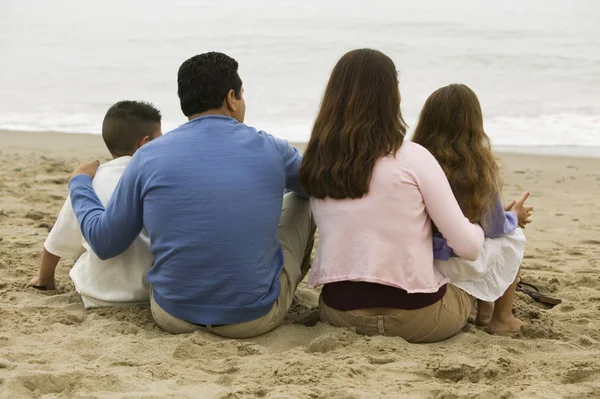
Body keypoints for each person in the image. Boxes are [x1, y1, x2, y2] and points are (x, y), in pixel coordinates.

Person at [67, 52, 315, 337]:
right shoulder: (271, 148)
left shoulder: (148, 156)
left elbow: (105, 241)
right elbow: (316, 186)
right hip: (252, 318)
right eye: (242, 94)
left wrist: (80, 184)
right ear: (231, 98)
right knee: (302, 200)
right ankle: (283, 290)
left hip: (172, 314)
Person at [300, 48, 485, 343]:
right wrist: (480, 228)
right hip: (419, 319)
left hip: (340, 315)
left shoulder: (317, 162)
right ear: (391, 97)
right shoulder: (413, 157)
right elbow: (469, 247)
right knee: (485, 261)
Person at [412, 83, 534, 333]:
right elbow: (494, 227)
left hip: (421, 258)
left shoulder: (415, 159)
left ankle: (485, 309)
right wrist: (513, 216)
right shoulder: (478, 166)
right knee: (513, 236)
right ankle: (501, 318)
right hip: (456, 261)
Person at [26, 101, 162, 308]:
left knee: (81, 235)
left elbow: (56, 242)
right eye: (159, 138)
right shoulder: (159, 178)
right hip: (151, 295)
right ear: (144, 143)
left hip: (98, 297)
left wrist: (44, 278)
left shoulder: (90, 180)